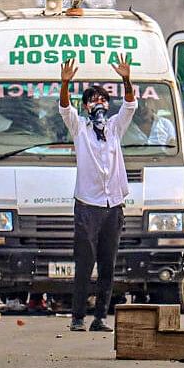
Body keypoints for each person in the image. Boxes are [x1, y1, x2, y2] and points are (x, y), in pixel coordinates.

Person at [58, 57, 137, 330]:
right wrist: (65, 83)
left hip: (113, 205)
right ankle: (78, 317)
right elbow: (64, 108)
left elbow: (130, 105)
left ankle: (101, 317)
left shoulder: (115, 127)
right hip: (87, 206)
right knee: (84, 264)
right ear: (86, 107)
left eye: (102, 99)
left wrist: (126, 79)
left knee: (107, 264)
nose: (98, 104)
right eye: (92, 100)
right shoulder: (80, 128)